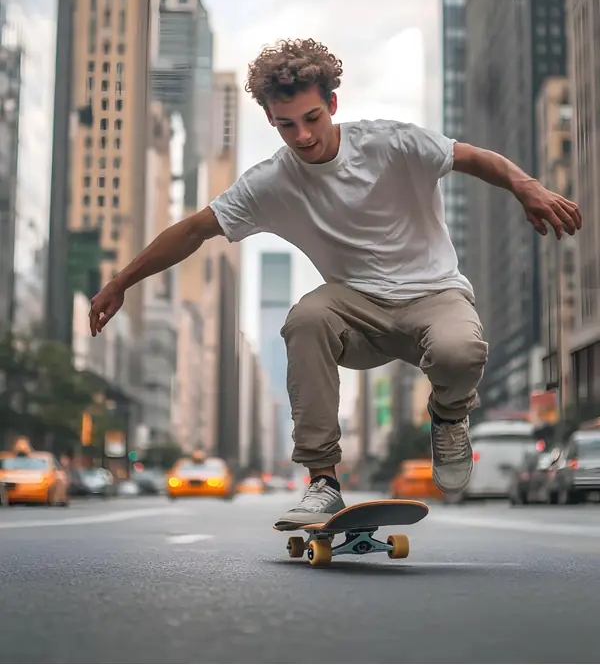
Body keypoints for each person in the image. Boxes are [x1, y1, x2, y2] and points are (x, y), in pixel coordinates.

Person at [89, 38, 582, 530]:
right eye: (286, 125)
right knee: (305, 317)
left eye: (311, 118)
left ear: (333, 105)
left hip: (432, 295)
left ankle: (450, 417)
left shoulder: (391, 142)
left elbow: (472, 157)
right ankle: (322, 481)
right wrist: (123, 280)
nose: (302, 136)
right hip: (356, 312)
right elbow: (195, 229)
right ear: (271, 121)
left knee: (461, 351)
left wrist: (528, 187)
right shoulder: (270, 182)